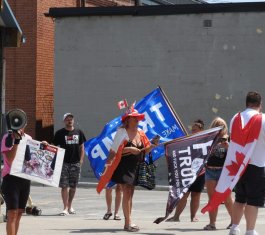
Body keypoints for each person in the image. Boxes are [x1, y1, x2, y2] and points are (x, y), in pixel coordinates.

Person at [110, 106, 158, 232]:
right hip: (124, 166)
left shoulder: (141, 132)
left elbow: (145, 151)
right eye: (135, 118)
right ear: (128, 119)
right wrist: (130, 149)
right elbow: (114, 151)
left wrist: (152, 146)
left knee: (130, 194)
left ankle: (128, 221)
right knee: (126, 192)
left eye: (138, 118)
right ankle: (128, 223)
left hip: (136, 166)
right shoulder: (121, 132)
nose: (138, 120)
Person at [229, 92, 265, 235]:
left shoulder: (235, 118)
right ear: (259, 104)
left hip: (238, 165)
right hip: (257, 164)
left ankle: (234, 228)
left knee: (240, 198)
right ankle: (250, 230)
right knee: (253, 200)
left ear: (247, 103)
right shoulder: (262, 119)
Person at [166, 119, 205, 222]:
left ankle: (193, 216)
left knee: (196, 195)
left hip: (200, 171)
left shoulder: (206, 141)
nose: (193, 132)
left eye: (195, 130)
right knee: (184, 194)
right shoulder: (188, 140)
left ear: (201, 130)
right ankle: (176, 217)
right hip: (187, 171)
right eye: (192, 130)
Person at [53, 113, 86, 216]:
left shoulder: (79, 132)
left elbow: (82, 147)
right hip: (64, 163)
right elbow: (53, 146)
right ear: (64, 121)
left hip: (75, 163)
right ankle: (65, 208)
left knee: (73, 187)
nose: (70, 121)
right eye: (67, 119)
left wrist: (81, 160)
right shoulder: (59, 133)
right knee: (64, 186)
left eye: (71, 119)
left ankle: (70, 205)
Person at [1, 125, 32, 235]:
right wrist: (17, 141)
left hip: (25, 178)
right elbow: (10, 160)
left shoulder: (28, 138)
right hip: (10, 178)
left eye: (22, 124)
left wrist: (44, 147)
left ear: (25, 124)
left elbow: (32, 158)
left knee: (19, 212)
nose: (19, 126)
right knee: (12, 213)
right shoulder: (7, 138)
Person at [203, 117, 233, 230]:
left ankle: (234, 221)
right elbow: (201, 152)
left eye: (222, 126)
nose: (220, 128)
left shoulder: (229, 139)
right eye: (217, 125)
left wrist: (228, 146)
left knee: (226, 198)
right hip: (210, 170)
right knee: (212, 199)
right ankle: (212, 223)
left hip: (223, 171)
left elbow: (235, 155)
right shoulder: (208, 139)